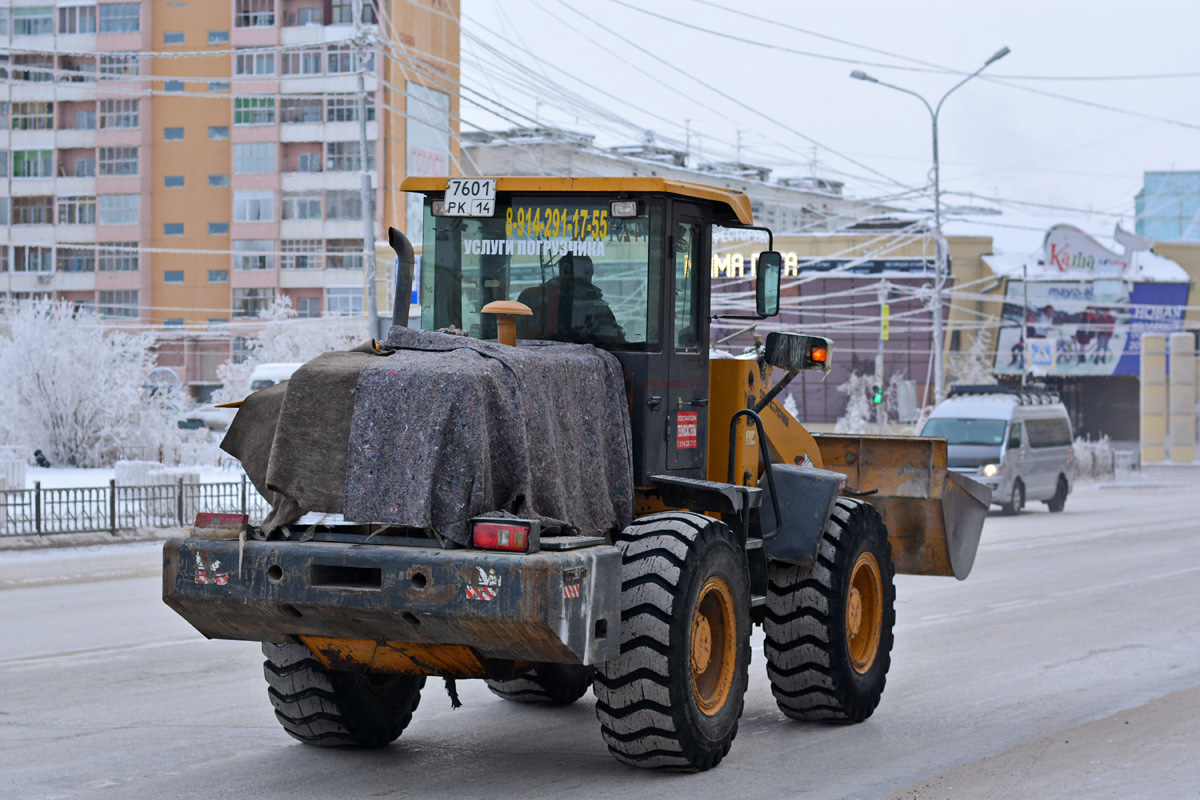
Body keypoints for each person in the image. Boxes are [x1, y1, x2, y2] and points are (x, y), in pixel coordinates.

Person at [516, 254, 625, 344]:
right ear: (588, 273)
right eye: (589, 273)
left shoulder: (529, 297)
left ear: (562, 271)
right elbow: (614, 343)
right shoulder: (595, 307)